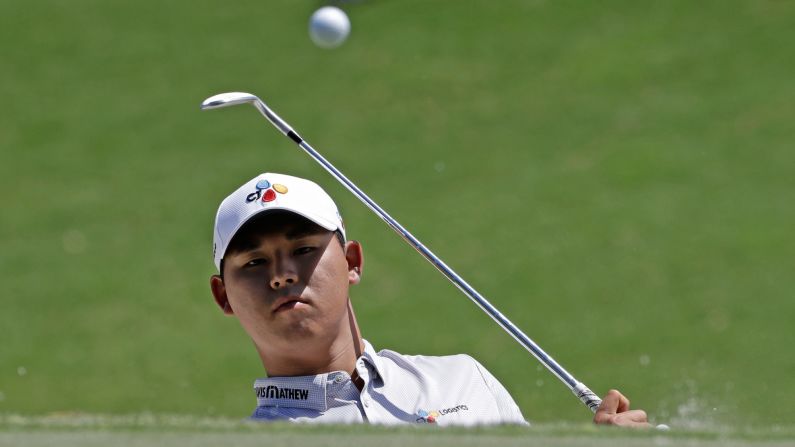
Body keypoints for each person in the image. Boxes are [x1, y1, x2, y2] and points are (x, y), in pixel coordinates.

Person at [209, 172, 650, 427]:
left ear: (353, 261)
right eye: (253, 263)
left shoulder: (463, 380)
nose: (283, 274)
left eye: (304, 250)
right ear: (223, 296)